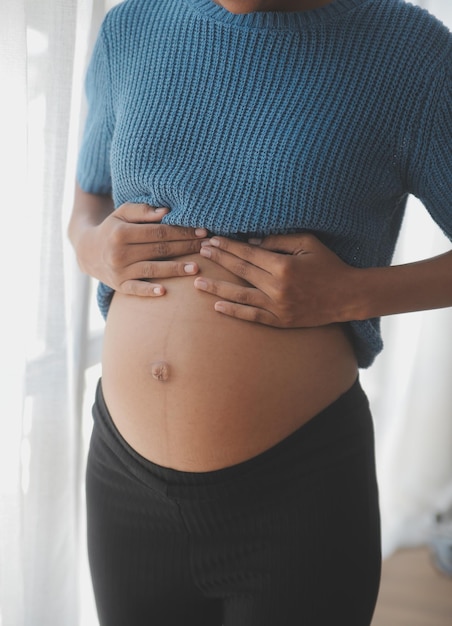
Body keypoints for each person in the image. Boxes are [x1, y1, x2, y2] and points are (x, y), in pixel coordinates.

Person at [68, 0, 452, 624]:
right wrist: (92, 245)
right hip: (124, 482)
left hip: (297, 494)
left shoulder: (410, 53)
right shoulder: (132, 25)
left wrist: (350, 294)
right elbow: (90, 198)